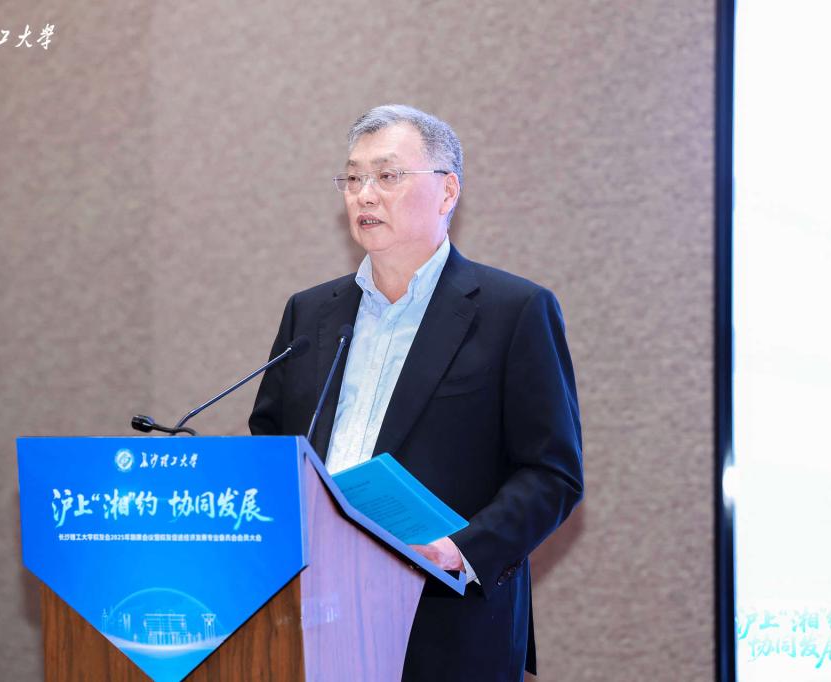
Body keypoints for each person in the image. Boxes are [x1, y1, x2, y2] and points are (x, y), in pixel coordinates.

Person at [249, 104, 583, 682]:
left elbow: (552, 472)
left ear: (447, 190)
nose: (365, 194)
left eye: (387, 175)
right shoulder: (310, 313)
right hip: (310, 614)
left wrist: (462, 548)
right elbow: (271, 441)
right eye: (353, 178)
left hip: (442, 619)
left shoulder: (513, 311)